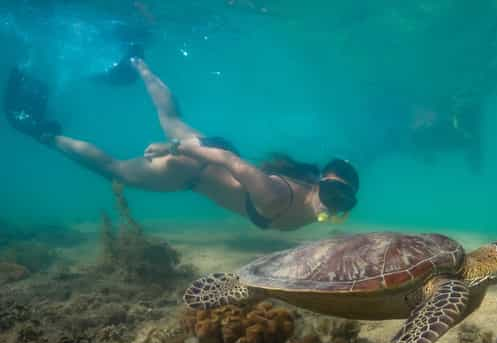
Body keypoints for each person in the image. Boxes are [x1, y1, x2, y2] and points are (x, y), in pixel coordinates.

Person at [4, 58, 359, 231]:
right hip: (191, 167)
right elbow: (231, 164)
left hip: (210, 153)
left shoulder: (310, 197)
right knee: (112, 169)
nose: (334, 205)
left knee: (172, 116)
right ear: (320, 184)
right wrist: (171, 149)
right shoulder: (276, 196)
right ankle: (45, 134)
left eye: (344, 201)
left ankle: (137, 62)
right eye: (333, 193)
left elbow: (228, 158)